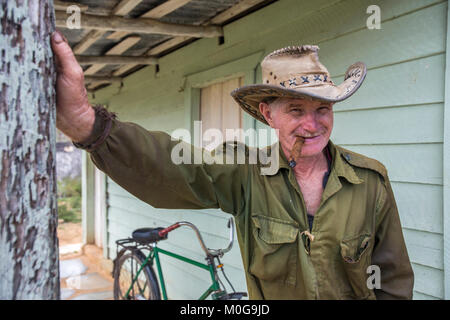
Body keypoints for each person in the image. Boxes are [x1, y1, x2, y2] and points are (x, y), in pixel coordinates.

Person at [51, 30, 414, 299]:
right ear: (268, 114)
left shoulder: (370, 180)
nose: (312, 124)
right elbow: (182, 168)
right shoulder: (247, 174)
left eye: (323, 109)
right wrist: (88, 125)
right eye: (295, 110)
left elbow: (392, 280)